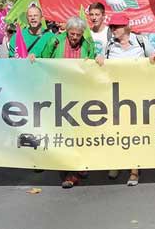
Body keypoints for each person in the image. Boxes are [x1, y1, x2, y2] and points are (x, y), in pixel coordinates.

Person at [96, 13, 155, 186]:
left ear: (126, 27)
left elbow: (154, 54)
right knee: (116, 130)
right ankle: (116, 162)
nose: (113, 30)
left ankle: (134, 171)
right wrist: (99, 58)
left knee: (134, 132)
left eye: (116, 27)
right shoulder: (109, 45)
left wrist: (153, 57)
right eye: (112, 27)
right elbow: (100, 59)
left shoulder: (140, 41)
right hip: (115, 95)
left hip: (136, 95)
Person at [38, 16, 97, 188]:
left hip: (80, 94)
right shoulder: (55, 41)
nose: (74, 38)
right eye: (72, 34)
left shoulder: (87, 44)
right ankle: (69, 174)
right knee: (64, 132)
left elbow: (92, 63)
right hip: (59, 92)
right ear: (67, 31)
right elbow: (44, 59)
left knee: (80, 132)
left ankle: (79, 167)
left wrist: (98, 60)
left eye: (78, 35)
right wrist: (34, 57)